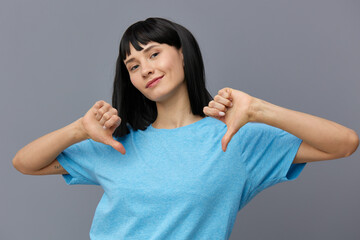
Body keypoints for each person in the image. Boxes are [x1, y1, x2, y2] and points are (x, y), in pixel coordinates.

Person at [13, 17, 359, 240]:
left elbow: (344, 143)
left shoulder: (234, 138)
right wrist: (78, 130)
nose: (144, 69)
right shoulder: (118, 143)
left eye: (153, 54)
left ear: (182, 54)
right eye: (133, 66)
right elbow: (25, 163)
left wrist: (258, 110)